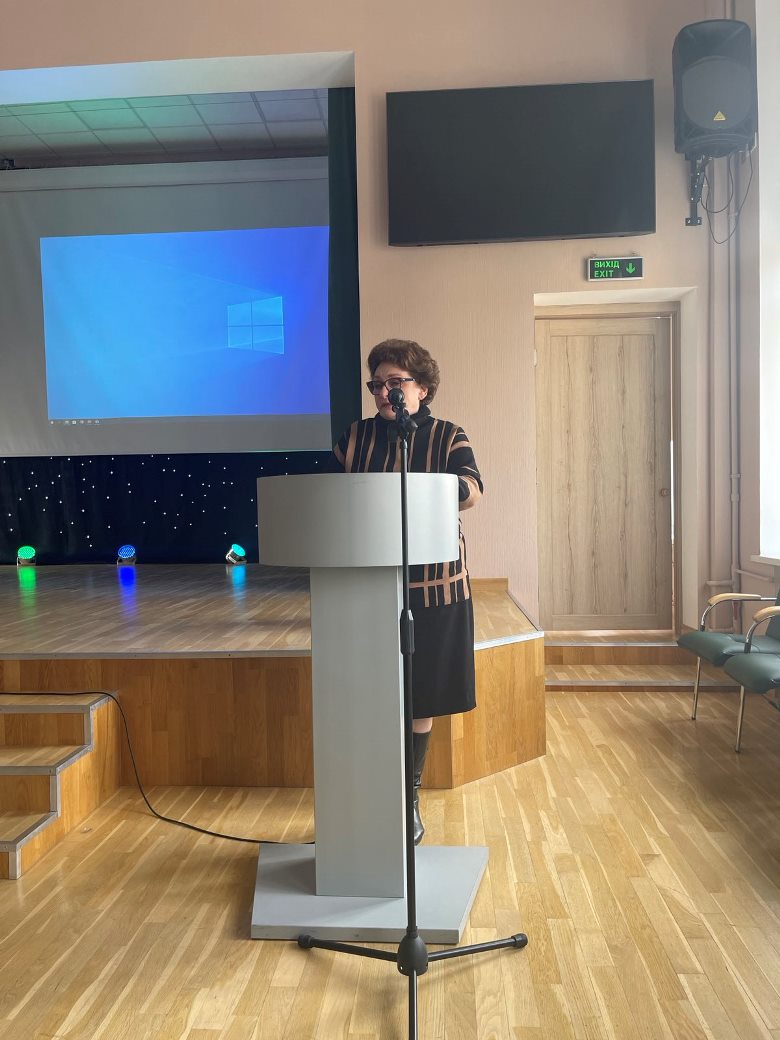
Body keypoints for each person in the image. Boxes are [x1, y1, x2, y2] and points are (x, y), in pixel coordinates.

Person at [329, 338, 483, 844]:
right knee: (373, 692)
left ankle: (408, 797)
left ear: (422, 388)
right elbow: (335, 497)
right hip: (368, 585)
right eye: (376, 384)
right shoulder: (356, 437)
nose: (383, 392)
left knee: (422, 696)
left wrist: (420, 487)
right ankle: (371, 794)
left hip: (433, 587)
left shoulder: (448, 434)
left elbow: (472, 490)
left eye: (395, 383)